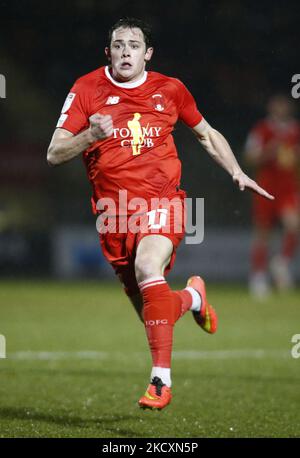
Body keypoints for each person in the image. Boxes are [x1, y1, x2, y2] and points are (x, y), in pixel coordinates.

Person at [47, 17, 273, 410]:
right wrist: (90, 136)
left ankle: (160, 382)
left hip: (161, 202)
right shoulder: (87, 89)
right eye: (118, 45)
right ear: (108, 52)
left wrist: (237, 170)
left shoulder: (170, 89)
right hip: (113, 215)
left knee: (148, 268)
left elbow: (205, 133)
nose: (125, 53)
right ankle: (192, 297)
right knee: (154, 312)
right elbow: (54, 153)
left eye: (133, 45)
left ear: (147, 54)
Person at [244, 95, 300, 297]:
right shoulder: (262, 129)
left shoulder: (295, 130)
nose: (281, 108)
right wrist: (269, 151)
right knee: (263, 233)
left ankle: (282, 262)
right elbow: (250, 156)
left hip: (287, 188)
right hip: (265, 187)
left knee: (293, 224)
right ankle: (258, 277)